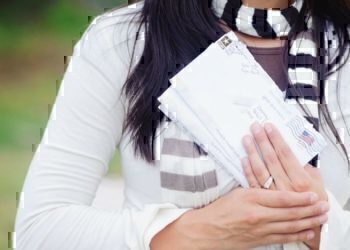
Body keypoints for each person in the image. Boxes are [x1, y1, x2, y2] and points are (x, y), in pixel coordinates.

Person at [14, 0, 350, 249]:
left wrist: (322, 225)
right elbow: (41, 231)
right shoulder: (124, 40)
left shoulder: (342, 49)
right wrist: (198, 230)